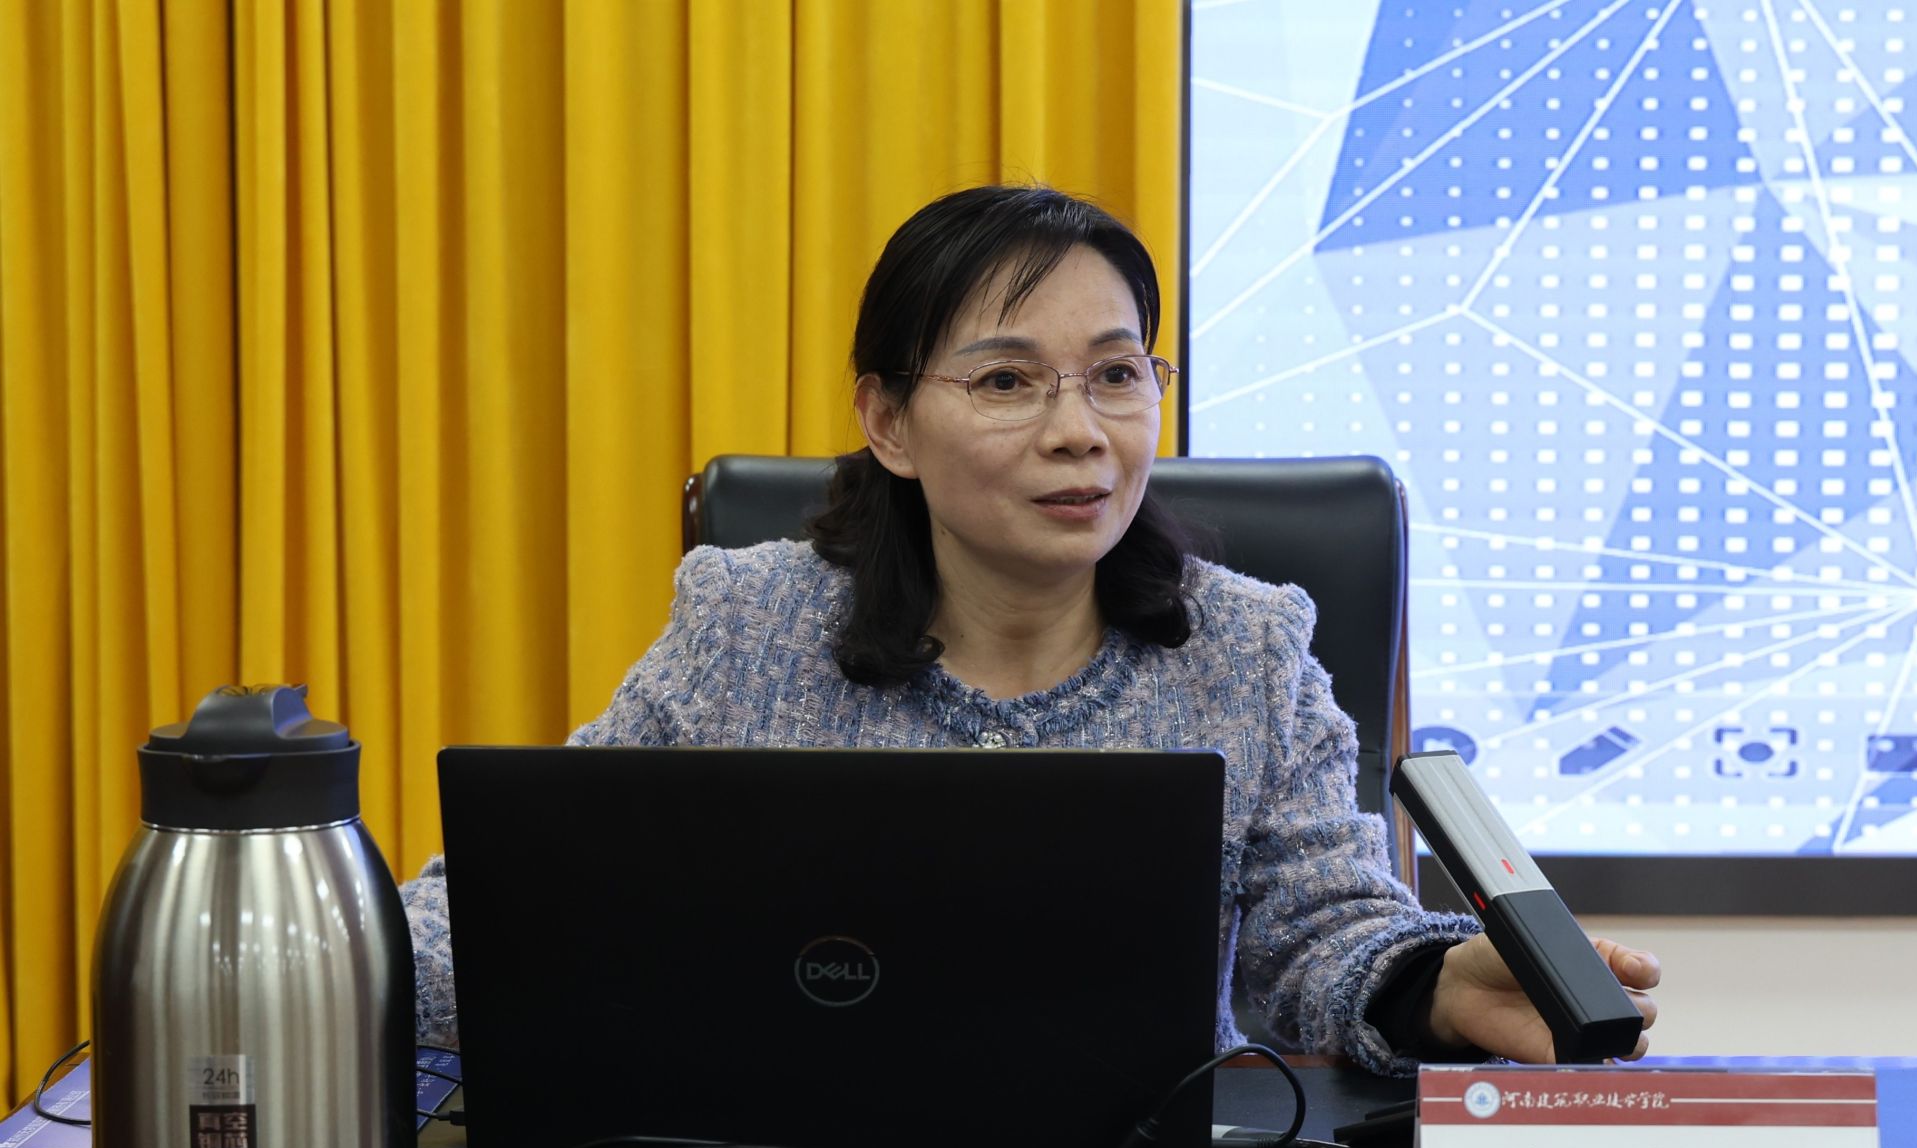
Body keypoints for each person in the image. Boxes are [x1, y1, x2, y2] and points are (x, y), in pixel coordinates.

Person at [400, 184, 1660, 1071]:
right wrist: (336, 952)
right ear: (888, 422)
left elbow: (1319, 937)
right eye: (1006, 380)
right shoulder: (751, 621)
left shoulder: (1247, 646)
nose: (1078, 431)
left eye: (1116, 374)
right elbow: (538, 895)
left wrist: (1435, 984)